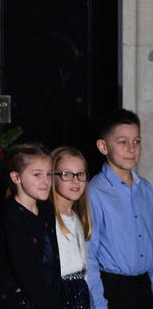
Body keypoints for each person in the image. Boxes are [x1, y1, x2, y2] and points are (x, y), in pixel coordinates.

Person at [86, 108, 153, 309]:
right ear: (103, 146)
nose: (132, 149)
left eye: (137, 141)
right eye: (123, 142)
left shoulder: (146, 189)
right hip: (113, 289)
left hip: (144, 287)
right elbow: (89, 254)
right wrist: (98, 304)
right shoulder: (95, 192)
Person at [0, 143, 62, 309]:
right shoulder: (11, 216)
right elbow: (25, 271)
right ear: (16, 178)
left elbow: (53, 258)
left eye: (49, 174)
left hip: (47, 294)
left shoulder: (46, 209)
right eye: (37, 175)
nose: (46, 181)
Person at [50, 146, 92, 309]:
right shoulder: (48, 218)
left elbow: (84, 271)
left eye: (80, 174)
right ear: (51, 177)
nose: (75, 180)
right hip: (59, 295)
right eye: (66, 174)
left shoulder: (76, 218)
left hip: (80, 295)